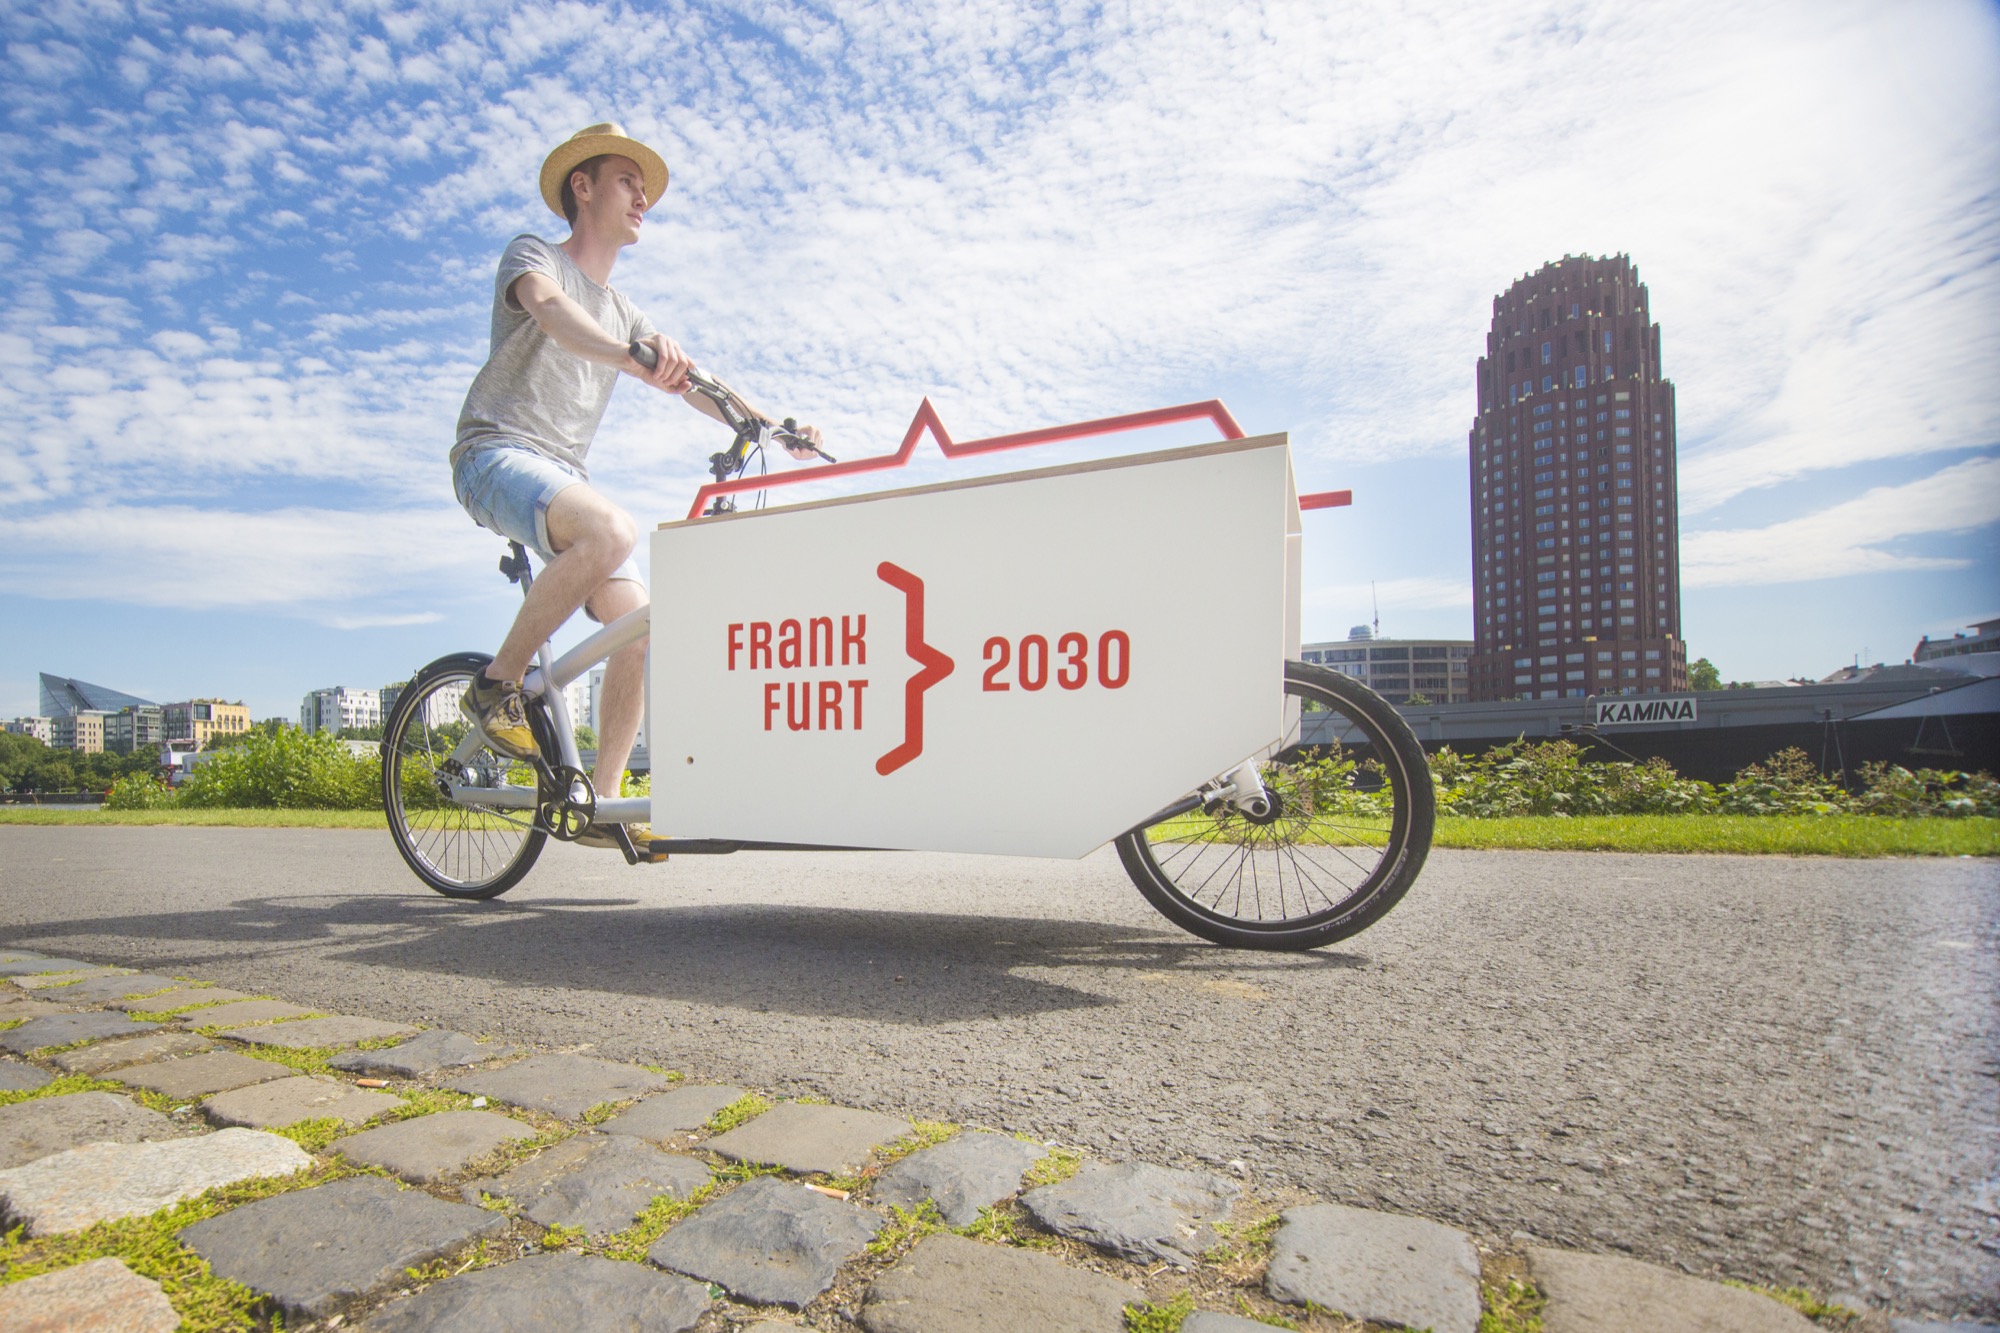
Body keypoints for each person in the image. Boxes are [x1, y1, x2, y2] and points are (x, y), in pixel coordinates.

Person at [449, 123, 822, 849]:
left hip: (563, 476)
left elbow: (698, 383)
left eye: (644, 187)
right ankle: (497, 684)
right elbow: (553, 314)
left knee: (642, 625)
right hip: (494, 453)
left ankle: (604, 802)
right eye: (628, 181)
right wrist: (629, 357)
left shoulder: (626, 313)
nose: (642, 197)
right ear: (583, 187)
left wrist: (774, 426)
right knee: (612, 530)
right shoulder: (536, 257)